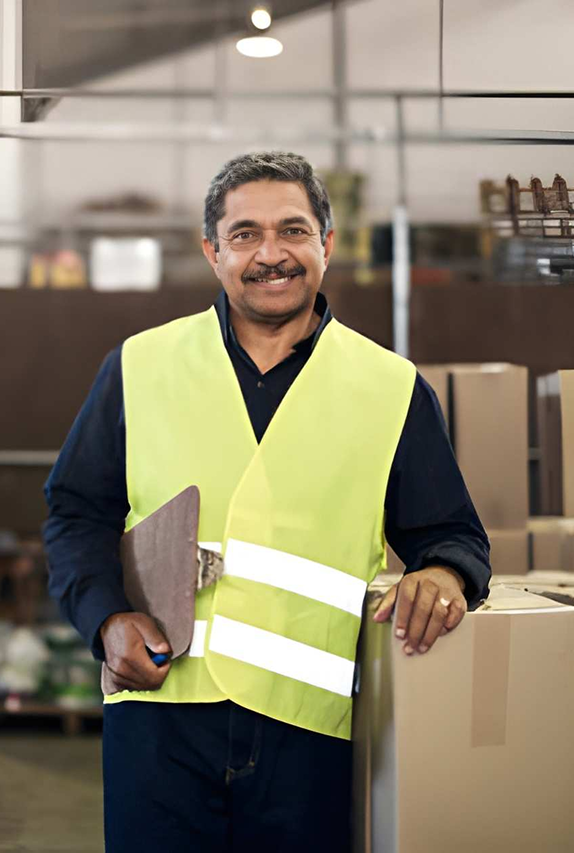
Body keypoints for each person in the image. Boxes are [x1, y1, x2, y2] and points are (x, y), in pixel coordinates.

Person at [44, 151, 491, 852]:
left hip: (308, 731)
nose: (270, 253)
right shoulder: (138, 365)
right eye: (246, 233)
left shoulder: (391, 387)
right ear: (213, 252)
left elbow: (451, 533)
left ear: (326, 245)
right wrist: (104, 619)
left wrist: (442, 573)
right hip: (160, 715)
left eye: (292, 230)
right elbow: (76, 512)